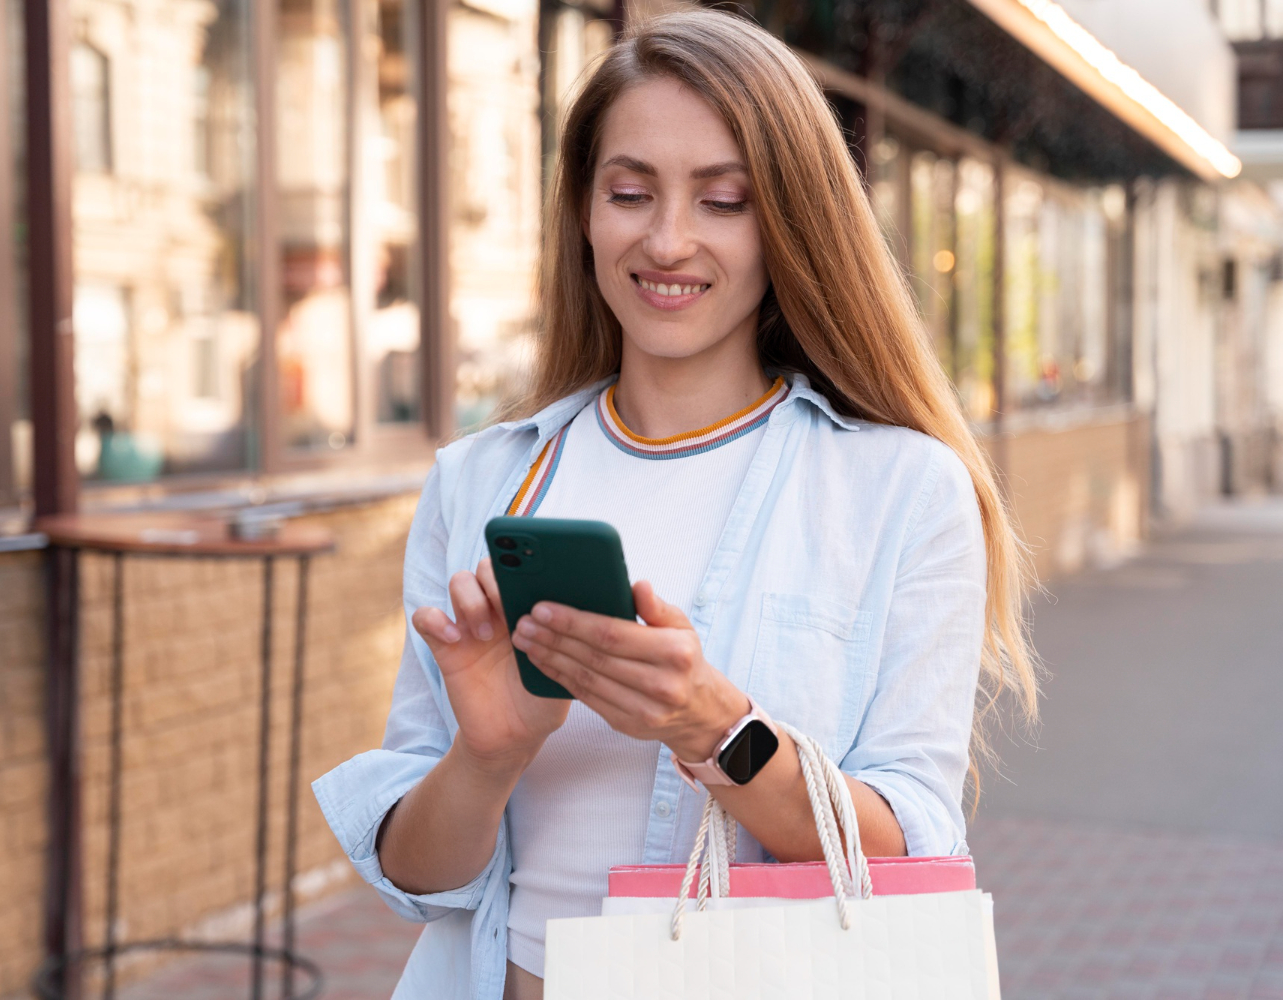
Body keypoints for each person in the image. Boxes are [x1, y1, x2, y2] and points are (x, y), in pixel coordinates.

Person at [311, 11, 1038, 999]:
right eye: (629, 193)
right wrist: (489, 753)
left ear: (788, 219)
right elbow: (421, 879)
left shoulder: (900, 488)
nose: (667, 239)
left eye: (723, 200)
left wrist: (717, 729)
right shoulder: (483, 481)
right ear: (583, 210)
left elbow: (913, 841)